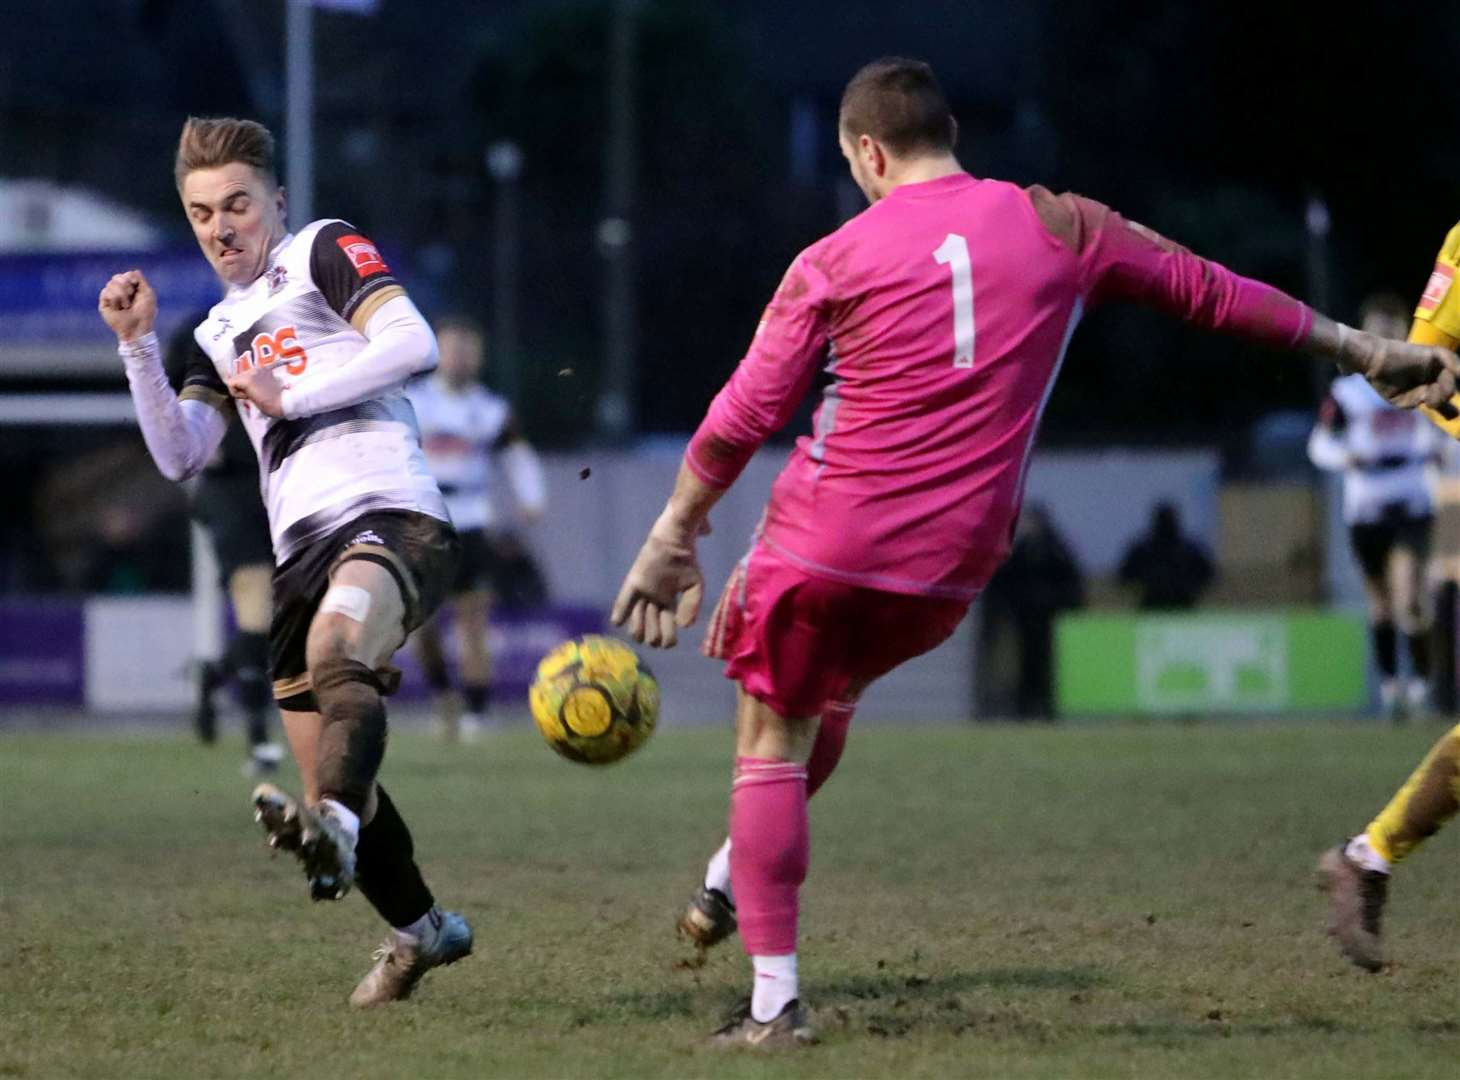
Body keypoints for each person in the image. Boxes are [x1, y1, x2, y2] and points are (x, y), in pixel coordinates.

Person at [610, 57, 1460, 1048]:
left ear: (867, 153)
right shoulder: (1064, 225)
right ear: (951, 133)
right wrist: (1364, 351)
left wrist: (674, 532)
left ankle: (771, 1007)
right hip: (951, 571)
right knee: (827, 697)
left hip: (828, 543)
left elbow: (744, 412)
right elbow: (1207, 290)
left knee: (769, 736)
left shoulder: (830, 259)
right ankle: (728, 879)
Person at [97, 116, 472, 1006]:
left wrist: (291, 394)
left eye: (236, 205)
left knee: (340, 649)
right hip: (297, 550)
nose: (220, 227)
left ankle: (333, 828)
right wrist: (138, 347)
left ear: (278, 201)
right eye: (199, 214)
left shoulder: (321, 249)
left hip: (390, 508)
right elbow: (183, 453)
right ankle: (422, 932)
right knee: (333, 768)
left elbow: (411, 344)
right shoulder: (216, 331)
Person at [1319, 226, 1460, 973]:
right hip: (1371, 507)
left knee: (1404, 601)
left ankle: (1367, 855)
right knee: (1389, 604)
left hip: (1402, 506)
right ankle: (1369, 853)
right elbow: (1423, 376)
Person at [407, 316, 546, 741]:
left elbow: (517, 454)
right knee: (420, 624)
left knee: (472, 620)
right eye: (453, 347)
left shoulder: (491, 409)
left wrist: (532, 497)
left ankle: (476, 710)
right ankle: (441, 693)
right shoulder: (413, 401)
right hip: (424, 519)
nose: (461, 357)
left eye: (469, 349)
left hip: (472, 519)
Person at [1308, 292, 1441, 720]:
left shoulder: (1425, 380)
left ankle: (1421, 681)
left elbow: (1444, 432)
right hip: (1366, 502)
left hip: (1410, 497)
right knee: (1380, 601)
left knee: (1408, 597)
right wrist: (1344, 457)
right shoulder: (1347, 393)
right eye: (1377, 332)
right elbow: (1320, 443)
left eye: (1393, 332)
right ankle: (1390, 686)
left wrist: (1436, 451)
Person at [164, 310, 285, 774]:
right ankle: (259, 740)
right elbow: (159, 389)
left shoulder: (301, 319)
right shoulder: (202, 329)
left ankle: (213, 675)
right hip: (229, 490)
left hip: (284, 482)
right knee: (255, 606)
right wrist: (189, 432)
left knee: (282, 621)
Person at [980, 504, 1085, 719]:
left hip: (1047, 618)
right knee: (1023, 664)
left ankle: (1045, 706)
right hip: (1024, 618)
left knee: (1046, 663)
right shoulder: (1023, 550)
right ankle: (1024, 706)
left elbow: (1070, 581)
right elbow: (1003, 582)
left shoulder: (1054, 548)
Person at [1117, 501, 1215, 610]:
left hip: (1182, 604)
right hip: (1153, 605)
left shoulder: (1189, 549)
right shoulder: (1143, 549)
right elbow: (1124, 576)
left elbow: (1208, 575)